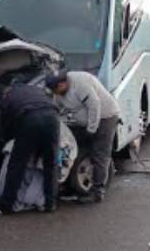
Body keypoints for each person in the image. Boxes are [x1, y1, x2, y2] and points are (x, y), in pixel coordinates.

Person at [46, 70, 120, 203]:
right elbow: (56, 108)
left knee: (99, 154)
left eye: (57, 89)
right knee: (74, 146)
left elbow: (94, 105)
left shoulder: (79, 84)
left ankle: (97, 191)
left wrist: (91, 129)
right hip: (84, 120)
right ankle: (69, 183)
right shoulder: (57, 92)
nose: (56, 93)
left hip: (105, 117)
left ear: (63, 83)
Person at [0, 84, 60, 213]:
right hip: (53, 119)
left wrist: (5, 140)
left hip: (30, 120)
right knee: (50, 163)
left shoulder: (8, 97)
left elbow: (7, 125)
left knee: (17, 164)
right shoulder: (35, 89)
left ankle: (7, 204)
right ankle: (50, 203)